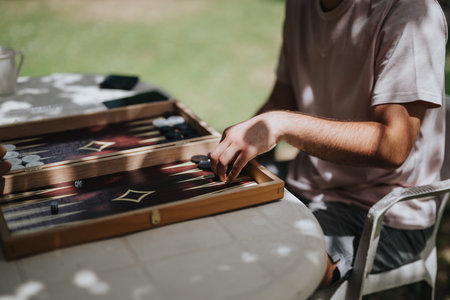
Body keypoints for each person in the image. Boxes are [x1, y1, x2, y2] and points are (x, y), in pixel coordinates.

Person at [210, 0, 447, 288]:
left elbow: (393, 145)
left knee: (273, 271)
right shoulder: (301, 6)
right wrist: (238, 145)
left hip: (383, 212)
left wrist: (281, 124)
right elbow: (282, 100)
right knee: (214, 221)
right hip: (308, 180)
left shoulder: (411, 12)